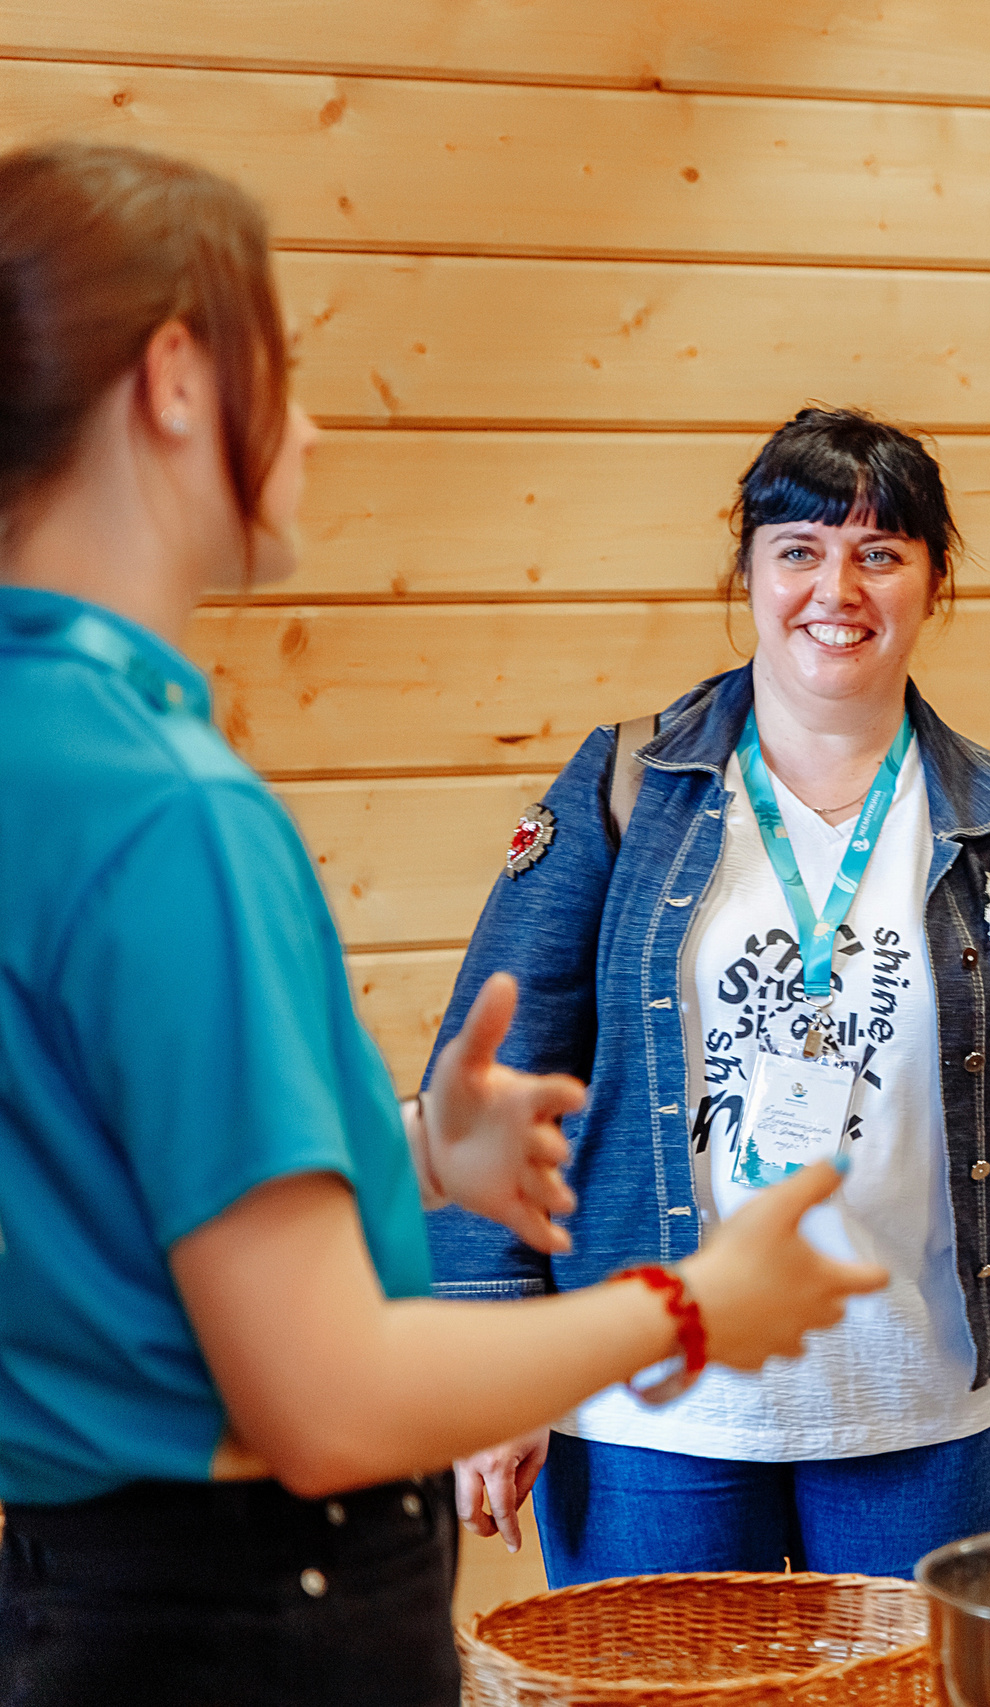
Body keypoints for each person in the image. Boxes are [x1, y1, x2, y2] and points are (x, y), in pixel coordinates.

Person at [0, 143, 876, 1707]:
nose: (317, 427)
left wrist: (403, 1151)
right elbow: (329, 1398)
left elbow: (102, 1185)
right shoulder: (167, 810)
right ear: (181, 378)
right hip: (234, 1622)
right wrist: (690, 1300)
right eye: (289, 362)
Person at [432, 405, 990, 1583]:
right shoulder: (625, 790)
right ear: (746, 570)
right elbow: (493, 1076)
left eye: (880, 553)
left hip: (925, 1414)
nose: (835, 589)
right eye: (798, 550)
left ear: (932, 580)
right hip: (651, 1412)